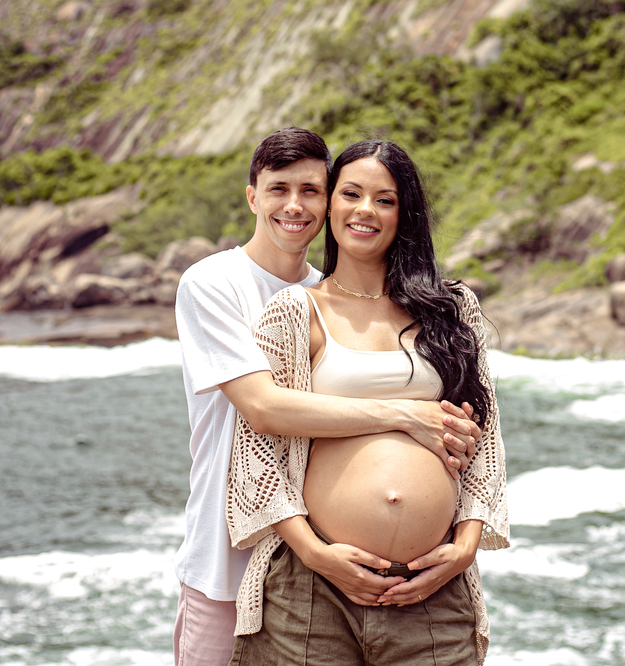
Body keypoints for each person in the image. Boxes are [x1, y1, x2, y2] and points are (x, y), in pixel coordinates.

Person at [173, 128, 482, 666]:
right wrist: (407, 417)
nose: (295, 205)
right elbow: (264, 410)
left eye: (311, 190)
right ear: (252, 196)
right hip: (234, 552)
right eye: (278, 189)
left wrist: (464, 543)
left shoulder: (342, 294)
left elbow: (484, 439)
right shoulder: (217, 284)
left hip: (370, 571)